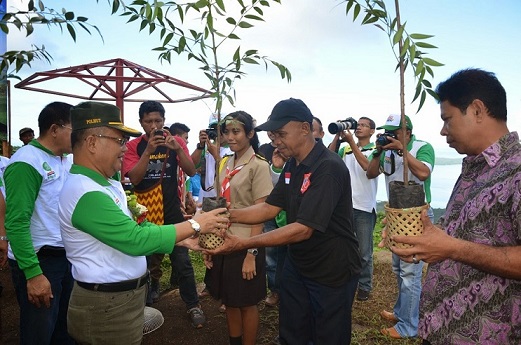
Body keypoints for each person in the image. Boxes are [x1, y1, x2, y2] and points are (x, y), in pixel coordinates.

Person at [58, 101, 229, 344]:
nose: (122, 148)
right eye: (118, 141)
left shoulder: (105, 183)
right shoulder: (86, 192)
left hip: (117, 300)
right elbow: (136, 240)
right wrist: (197, 224)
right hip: (106, 307)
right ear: (92, 143)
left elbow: (137, 227)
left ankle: (190, 303)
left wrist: (183, 240)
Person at [207, 98, 361, 345]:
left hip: (331, 270)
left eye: (280, 134)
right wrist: (226, 215)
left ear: (304, 128)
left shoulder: (328, 168)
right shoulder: (292, 165)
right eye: (272, 135)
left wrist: (244, 244)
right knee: (292, 331)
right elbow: (269, 207)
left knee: (327, 335)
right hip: (298, 264)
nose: (274, 141)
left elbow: (303, 229)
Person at [392, 68, 521, 344]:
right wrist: (423, 242)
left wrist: (451, 248)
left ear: (477, 110)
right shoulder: (473, 167)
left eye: (447, 119)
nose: (442, 130)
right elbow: (462, 237)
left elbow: (457, 246)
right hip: (439, 329)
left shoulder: (517, 171)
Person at [122, 100, 206, 328]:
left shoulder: (175, 141)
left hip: (171, 211)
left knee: (183, 262)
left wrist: (178, 148)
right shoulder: (134, 147)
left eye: (158, 120)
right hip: (145, 214)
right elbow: (135, 178)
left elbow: (190, 171)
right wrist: (149, 150)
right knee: (146, 263)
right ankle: (146, 309)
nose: (154, 125)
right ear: (141, 122)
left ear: (164, 120)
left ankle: (193, 305)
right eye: (149, 121)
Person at [4, 102, 75, 344]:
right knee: (39, 333)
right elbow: (16, 222)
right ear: (55, 129)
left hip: (65, 257)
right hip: (40, 260)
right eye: (73, 130)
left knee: (65, 330)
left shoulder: (65, 159)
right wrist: (33, 274)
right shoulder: (27, 162)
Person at [206, 111, 272, 345]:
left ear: (250, 134)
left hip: (246, 242)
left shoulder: (258, 166)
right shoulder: (226, 162)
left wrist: (251, 254)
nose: (230, 137)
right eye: (227, 132)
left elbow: (261, 212)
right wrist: (209, 242)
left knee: (247, 303)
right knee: (230, 299)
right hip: (224, 238)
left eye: (236, 131)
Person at [366, 114, 435, 339]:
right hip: (396, 215)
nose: (390, 136)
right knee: (398, 268)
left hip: (418, 215)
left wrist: (402, 152)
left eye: (393, 132)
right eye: (387, 132)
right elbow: (371, 173)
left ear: (407, 132)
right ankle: (401, 312)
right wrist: (378, 151)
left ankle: (409, 326)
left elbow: (423, 173)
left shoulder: (423, 147)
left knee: (410, 273)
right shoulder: (385, 150)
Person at [328, 116, 378, 301]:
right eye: (358, 125)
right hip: (344, 206)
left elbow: (368, 168)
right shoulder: (345, 149)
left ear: (372, 131)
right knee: (343, 248)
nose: (359, 128)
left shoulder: (376, 150)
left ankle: (365, 286)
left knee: (364, 252)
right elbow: (328, 157)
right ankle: (345, 282)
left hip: (364, 207)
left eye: (364, 125)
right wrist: (337, 137)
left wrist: (352, 144)